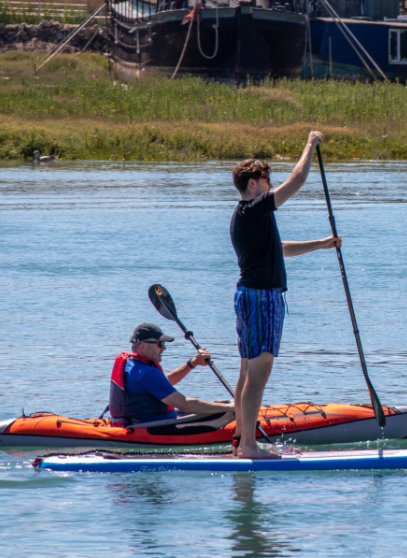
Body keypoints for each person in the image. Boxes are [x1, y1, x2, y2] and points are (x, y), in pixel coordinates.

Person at [230, 131, 340, 459]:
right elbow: (298, 179)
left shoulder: (249, 217)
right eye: (266, 180)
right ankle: (248, 446)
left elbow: (279, 250)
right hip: (261, 298)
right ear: (253, 184)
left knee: (248, 371)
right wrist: (310, 143)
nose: (271, 185)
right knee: (258, 371)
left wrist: (321, 244)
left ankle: (239, 440)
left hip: (250, 295)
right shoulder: (253, 209)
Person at [109, 323, 234, 424]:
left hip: (144, 421)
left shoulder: (133, 365)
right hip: (156, 428)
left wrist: (193, 363)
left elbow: (163, 383)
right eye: (160, 343)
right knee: (227, 411)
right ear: (143, 346)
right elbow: (184, 404)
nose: (164, 348)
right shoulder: (146, 373)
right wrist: (230, 408)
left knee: (222, 404)